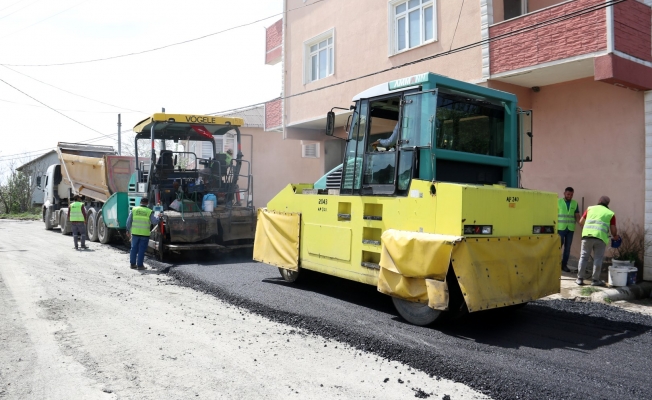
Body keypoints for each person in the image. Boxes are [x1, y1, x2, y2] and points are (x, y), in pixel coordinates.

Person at [576, 196, 619, 286]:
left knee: (583, 257)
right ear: (608, 204)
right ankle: (595, 280)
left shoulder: (590, 209)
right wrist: (615, 236)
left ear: (599, 201)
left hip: (587, 236)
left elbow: (581, 222)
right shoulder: (610, 213)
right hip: (601, 238)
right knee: (598, 259)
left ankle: (580, 279)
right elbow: (613, 230)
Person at [126, 197, 161, 270]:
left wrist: (127, 230)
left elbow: (129, 221)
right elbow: (155, 221)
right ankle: (140, 265)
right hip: (144, 234)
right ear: (147, 203)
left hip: (135, 233)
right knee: (141, 250)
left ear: (140, 202)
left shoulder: (134, 209)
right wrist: (158, 214)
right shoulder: (149, 211)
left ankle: (132, 264)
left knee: (133, 248)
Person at [558, 187, 580, 272]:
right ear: (564, 193)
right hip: (560, 228)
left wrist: (582, 224)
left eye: (571, 195)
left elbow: (577, 216)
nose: (570, 196)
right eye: (568, 194)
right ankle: (555, 264)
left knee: (567, 248)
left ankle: (564, 265)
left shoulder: (575, 203)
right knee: (557, 247)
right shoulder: (558, 202)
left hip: (570, 229)